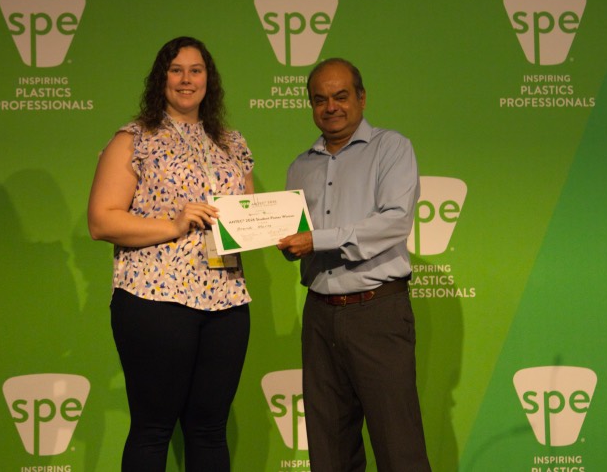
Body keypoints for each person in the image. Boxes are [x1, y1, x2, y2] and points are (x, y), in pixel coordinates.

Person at [88, 36, 254, 471]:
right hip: (154, 298)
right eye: (175, 70)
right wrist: (174, 225)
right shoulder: (134, 139)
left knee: (210, 429)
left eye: (195, 70)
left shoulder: (232, 143)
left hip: (227, 300)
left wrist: (274, 227)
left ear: (208, 79)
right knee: (153, 428)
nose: (186, 79)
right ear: (160, 78)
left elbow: (248, 215)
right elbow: (101, 221)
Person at [277, 58, 431, 472]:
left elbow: (395, 220)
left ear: (361, 98)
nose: (331, 107)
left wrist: (317, 240)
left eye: (341, 96)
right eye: (320, 99)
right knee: (329, 451)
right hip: (319, 316)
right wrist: (289, 244)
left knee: (399, 447)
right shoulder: (300, 167)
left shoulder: (391, 148)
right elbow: (296, 234)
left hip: (376, 311)